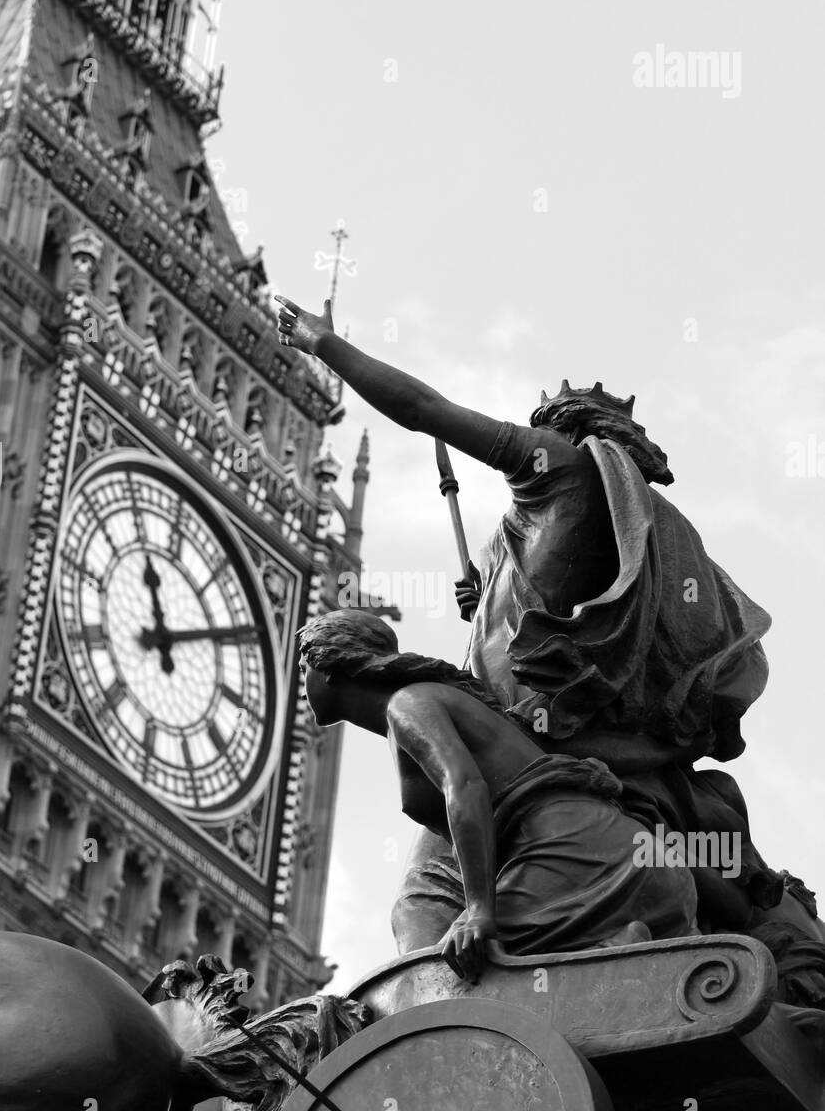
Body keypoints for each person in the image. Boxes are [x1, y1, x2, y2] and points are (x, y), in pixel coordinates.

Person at [277, 294, 825, 1004]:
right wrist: (494, 618)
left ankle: (460, 1015)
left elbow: (420, 408)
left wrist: (327, 347)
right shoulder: (584, 528)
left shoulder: (558, 467)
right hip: (563, 765)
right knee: (423, 897)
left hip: (544, 771)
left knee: (423, 897)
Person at [299, 609, 697, 982]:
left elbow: (466, 788)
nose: (302, 683)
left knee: (443, 975)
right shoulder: (429, 701)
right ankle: (608, 949)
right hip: (645, 871)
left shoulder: (408, 705)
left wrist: (479, 911)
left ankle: (608, 951)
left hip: (590, 864)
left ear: (329, 666)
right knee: (430, 940)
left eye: (304, 669)